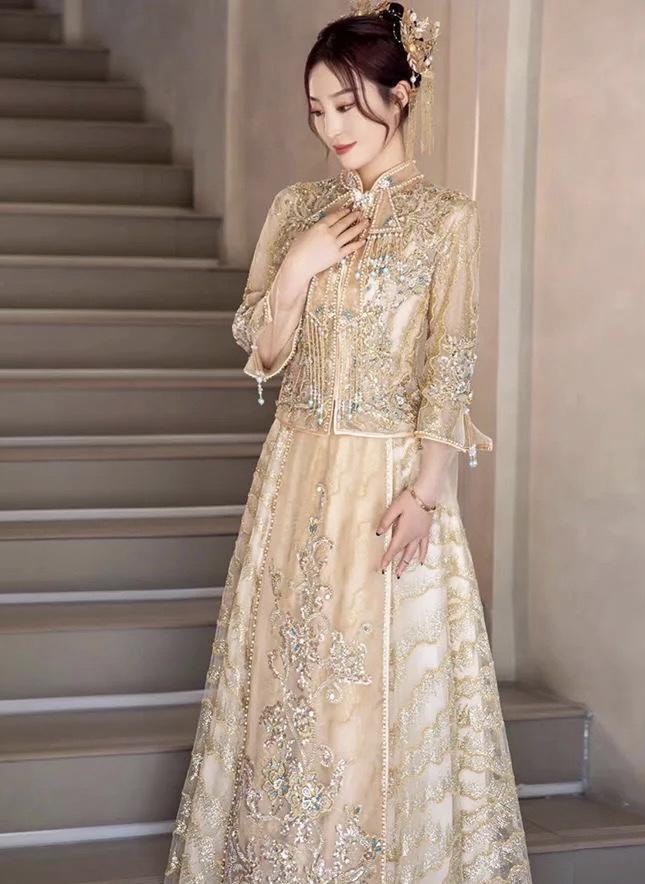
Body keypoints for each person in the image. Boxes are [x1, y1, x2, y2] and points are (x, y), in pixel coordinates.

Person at [164, 2, 532, 882]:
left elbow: (450, 360)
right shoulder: (299, 208)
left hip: (388, 478)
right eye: (317, 110)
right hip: (296, 469)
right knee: (291, 676)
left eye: (348, 104)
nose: (332, 127)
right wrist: (298, 267)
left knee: (373, 678)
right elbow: (261, 345)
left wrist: (427, 490)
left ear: (400, 97)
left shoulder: (445, 219)